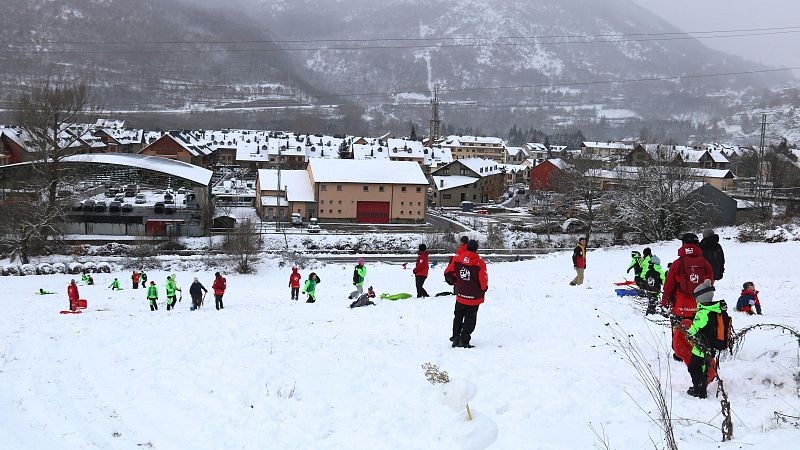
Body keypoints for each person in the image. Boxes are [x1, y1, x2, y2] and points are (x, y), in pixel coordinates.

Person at [662, 233, 715, 367]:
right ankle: (698, 352)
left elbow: (668, 286)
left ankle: (679, 353)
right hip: (699, 307)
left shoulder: (677, 264)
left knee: (679, 330)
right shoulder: (706, 264)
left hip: (680, 307)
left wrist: (665, 302)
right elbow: (710, 284)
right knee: (698, 329)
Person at [685, 280, 728, 398]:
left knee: (693, 367)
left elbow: (696, 326)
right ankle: (701, 388)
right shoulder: (714, 309)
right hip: (711, 344)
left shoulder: (703, 312)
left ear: (700, 298)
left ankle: (698, 389)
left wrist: (688, 333)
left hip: (701, 345)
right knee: (703, 367)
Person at [445, 239, 488, 349]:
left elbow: (447, 273)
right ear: (476, 249)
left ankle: (455, 338)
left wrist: (456, 281)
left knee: (458, 317)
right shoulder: (480, 263)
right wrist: (483, 289)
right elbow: (483, 281)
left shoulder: (457, 259)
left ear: (467, 247)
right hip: (474, 298)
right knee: (470, 319)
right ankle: (464, 340)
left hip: (461, 296)